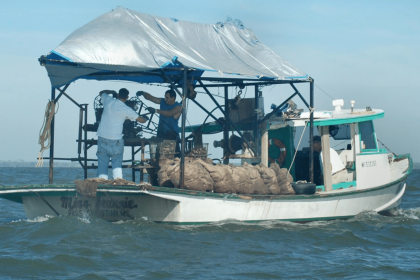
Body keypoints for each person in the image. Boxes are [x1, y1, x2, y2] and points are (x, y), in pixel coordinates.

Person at [96, 88, 148, 180]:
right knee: (116, 164)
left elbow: (101, 92)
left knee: (102, 164)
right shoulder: (126, 109)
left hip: (102, 137)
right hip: (115, 140)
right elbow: (142, 120)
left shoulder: (108, 100)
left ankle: (101, 183)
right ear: (127, 97)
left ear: (118, 95)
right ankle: (117, 183)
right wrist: (146, 118)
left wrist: (111, 92)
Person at [136, 89, 182, 154]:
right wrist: (143, 93)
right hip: (161, 133)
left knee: (173, 155)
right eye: (165, 97)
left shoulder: (178, 106)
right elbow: (151, 98)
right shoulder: (163, 101)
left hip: (171, 135)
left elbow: (169, 113)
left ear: (173, 98)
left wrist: (155, 110)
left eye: (167, 98)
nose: (165, 99)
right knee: (160, 154)